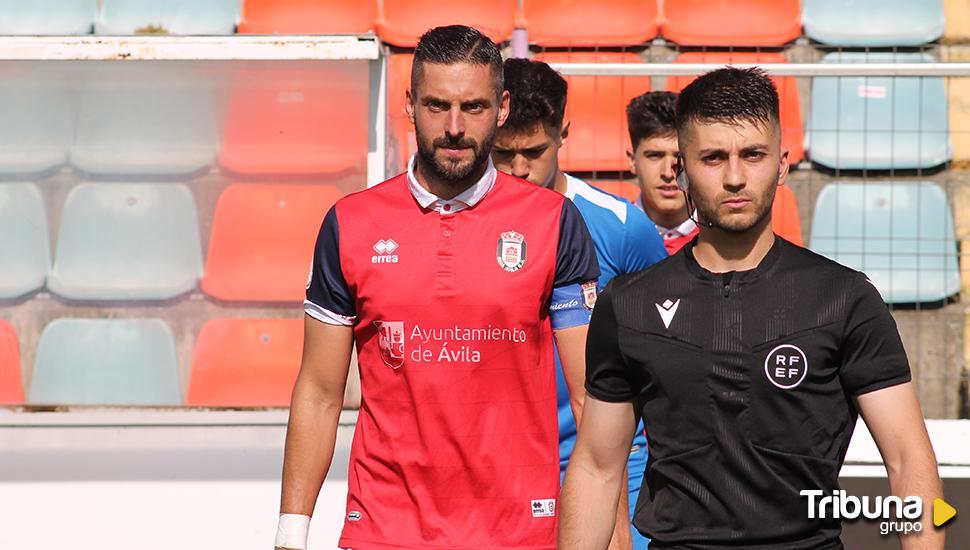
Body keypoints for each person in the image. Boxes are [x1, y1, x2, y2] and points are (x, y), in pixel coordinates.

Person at [560, 67, 944, 549]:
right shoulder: (630, 304)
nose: (736, 177)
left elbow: (909, 461)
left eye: (753, 155)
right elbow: (597, 467)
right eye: (714, 158)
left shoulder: (844, 299)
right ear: (681, 170)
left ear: (782, 164)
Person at [275, 25, 601, 550]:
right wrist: (292, 531)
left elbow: (590, 397)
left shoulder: (555, 222)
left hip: (519, 530)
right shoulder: (350, 223)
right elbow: (318, 391)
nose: (453, 127)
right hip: (385, 529)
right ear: (409, 105)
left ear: (501, 107)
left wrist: (609, 537)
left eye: (473, 107)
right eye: (436, 105)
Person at [492, 57, 667, 550]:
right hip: (502, 464)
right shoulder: (462, 227)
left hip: (613, 461)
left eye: (534, 150)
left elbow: (663, 348)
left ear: (564, 134)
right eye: (504, 153)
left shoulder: (623, 228)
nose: (520, 169)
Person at [625, 91, 696, 255]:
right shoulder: (606, 235)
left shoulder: (726, 238)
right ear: (632, 161)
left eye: (680, 157)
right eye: (654, 156)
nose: (668, 173)